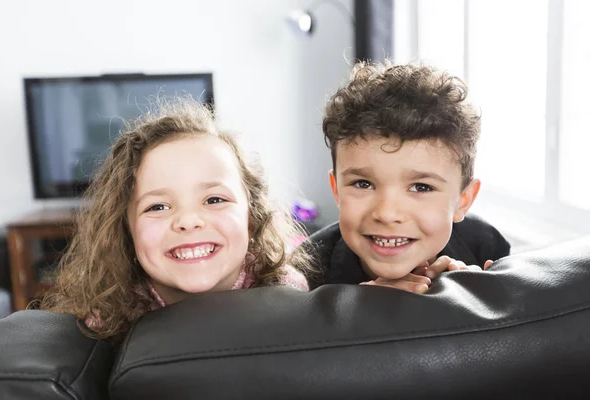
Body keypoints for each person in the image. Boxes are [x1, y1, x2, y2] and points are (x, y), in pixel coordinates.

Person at [39, 98, 313, 342]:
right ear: (126, 231)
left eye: (214, 200)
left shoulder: (287, 295)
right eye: (157, 206)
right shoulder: (108, 320)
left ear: (252, 217)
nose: (188, 220)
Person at [306, 59, 510, 292]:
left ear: (463, 200)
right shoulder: (304, 276)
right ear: (337, 190)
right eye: (363, 184)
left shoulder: (485, 245)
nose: (387, 214)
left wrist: (481, 304)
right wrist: (362, 313)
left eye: (421, 187)